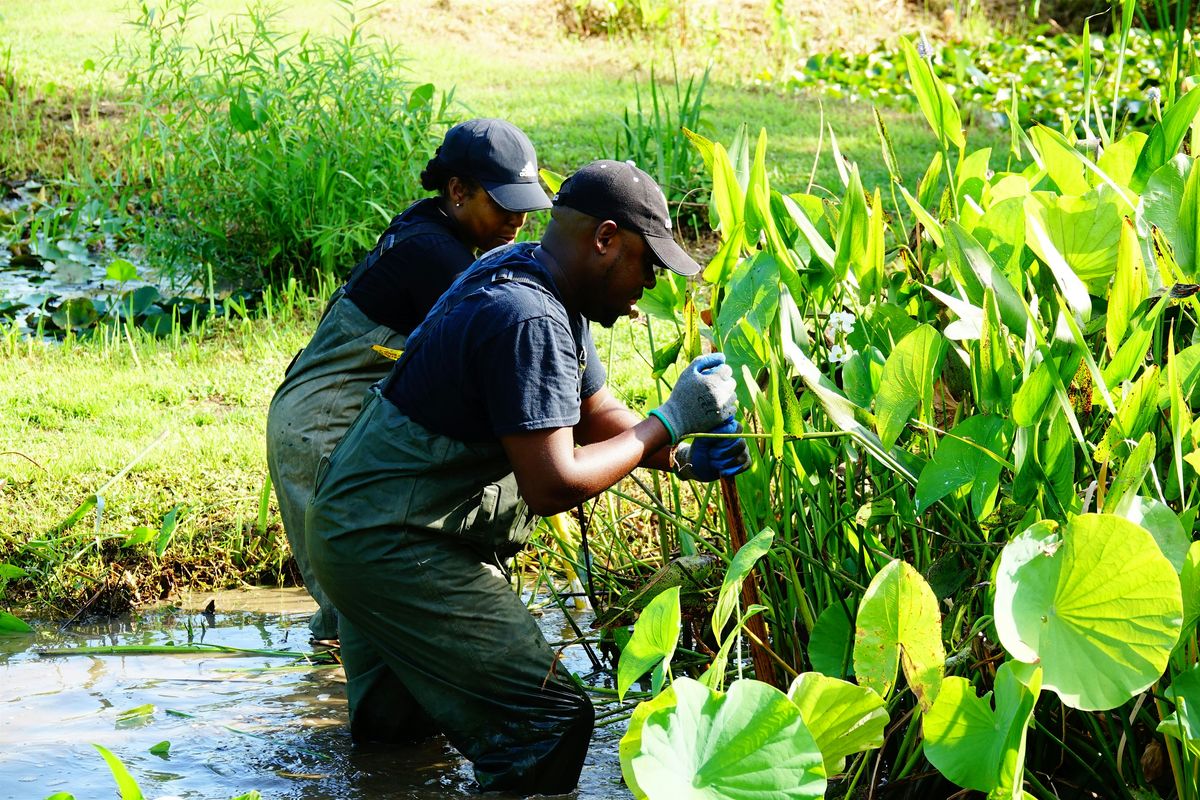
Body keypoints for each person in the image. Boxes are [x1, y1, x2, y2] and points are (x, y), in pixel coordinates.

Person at [305, 159, 752, 793]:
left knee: (401, 750)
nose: (645, 290)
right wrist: (671, 419)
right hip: (395, 547)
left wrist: (679, 457)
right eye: (646, 266)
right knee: (551, 724)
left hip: (355, 534)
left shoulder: (530, 281)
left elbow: (596, 412)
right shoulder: (527, 317)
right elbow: (554, 485)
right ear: (603, 239)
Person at [266, 119, 551, 643]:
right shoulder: (434, 254)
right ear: (458, 191)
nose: (519, 218)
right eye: (505, 203)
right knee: (359, 610)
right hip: (323, 426)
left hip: (343, 417)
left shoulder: (441, 233)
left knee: (364, 609)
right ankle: (334, 717)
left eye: (526, 204)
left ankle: (337, 706)